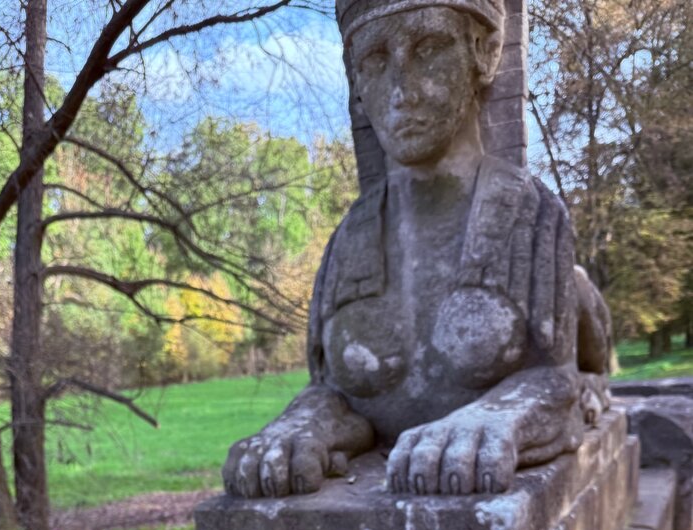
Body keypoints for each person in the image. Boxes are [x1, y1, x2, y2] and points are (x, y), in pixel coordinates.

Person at [223, 0, 611, 499]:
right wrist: (305, 422)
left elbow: (552, 385)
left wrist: (499, 419)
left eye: (429, 49)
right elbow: (335, 393)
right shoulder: (346, 240)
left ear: (485, 53)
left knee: (575, 286)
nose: (403, 90)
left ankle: (598, 372)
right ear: (356, 83)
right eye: (377, 60)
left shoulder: (533, 214)